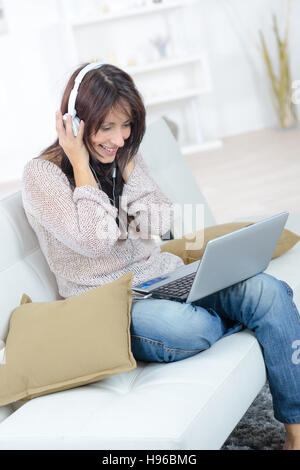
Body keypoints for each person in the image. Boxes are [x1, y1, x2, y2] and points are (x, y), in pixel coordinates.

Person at [21, 62, 300, 450]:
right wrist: (83, 169)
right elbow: (96, 240)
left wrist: (128, 168)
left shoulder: (121, 155)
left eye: (127, 125)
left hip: (165, 277)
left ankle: (296, 436)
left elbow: (160, 222)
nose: (119, 138)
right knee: (188, 329)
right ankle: (247, 318)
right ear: (75, 121)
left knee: (269, 291)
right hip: (112, 303)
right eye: (107, 127)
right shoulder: (42, 176)